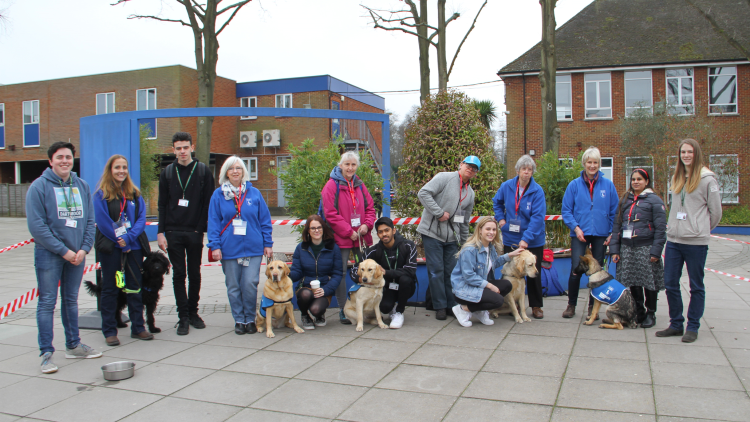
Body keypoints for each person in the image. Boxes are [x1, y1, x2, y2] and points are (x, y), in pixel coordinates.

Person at [26, 141, 101, 374]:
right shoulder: (38, 187)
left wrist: (84, 248)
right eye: (59, 157)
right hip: (50, 255)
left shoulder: (82, 185)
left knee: (71, 300)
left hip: (77, 255)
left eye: (68, 157)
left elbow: (90, 220)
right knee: (47, 302)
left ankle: (73, 344)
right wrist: (64, 251)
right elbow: (37, 227)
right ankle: (46, 353)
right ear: (51, 161)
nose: (64, 161)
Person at [657, 139, 722, 343]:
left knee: (696, 286)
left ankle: (692, 326)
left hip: (695, 242)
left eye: (689, 152)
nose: (685, 155)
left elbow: (716, 212)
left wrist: (700, 229)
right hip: (675, 240)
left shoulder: (707, 179)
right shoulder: (677, 176)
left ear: (697, 154)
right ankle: (676, 324)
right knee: (670, 283)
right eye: (683, 152)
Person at [157, 132, 215, 336]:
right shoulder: (167, 173)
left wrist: (200, 229)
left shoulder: (202, 171)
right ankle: (182, 316)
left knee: (195, 274)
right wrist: (160, 232)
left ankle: (193, 312)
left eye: (185, 147)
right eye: (178, 148)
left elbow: (208, 203)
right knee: (178, 275)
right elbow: (162, 204)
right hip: (173, 232)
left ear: (192, 147)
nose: (182, 151)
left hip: (194, 232)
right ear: (173, 150)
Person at [207, 156, 273, 335]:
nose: (235, 171)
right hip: (229, 248)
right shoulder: (218, 195)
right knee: (234, 285)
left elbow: (264, 220)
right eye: (231, 168)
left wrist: (268, 243)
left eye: (238, 168)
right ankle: (239, 319)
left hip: (253, 247)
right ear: (225, 173)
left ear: (244, 171)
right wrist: (215, 246)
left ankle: (250, 318)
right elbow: (213, 222)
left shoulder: (254, 193)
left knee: (250, 283)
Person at [93, 155, 153, 346]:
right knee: (110, 289)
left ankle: (138, 328)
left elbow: (141, 219)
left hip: (133, 248)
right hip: (111, 249)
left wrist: (128, 238)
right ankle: (110, 330)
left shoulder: (134, 194)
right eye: (117, 167)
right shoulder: (101, 195)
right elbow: (102, 223)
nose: (121, 171)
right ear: (110, 170)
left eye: (124, 167)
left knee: (135, 288)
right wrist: (119, 241)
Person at [417, 156, 479, 320]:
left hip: (452, 238)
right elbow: (423, 193)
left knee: (451, 272)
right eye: (468, 165)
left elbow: (465, 220)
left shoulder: (470, 194)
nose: (470, 169)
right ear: (461, 164)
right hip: (432, 233)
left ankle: (452, 305)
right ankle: (440, 306)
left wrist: (465, 243)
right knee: (436, 271)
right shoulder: (444, 177)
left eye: (474, 168)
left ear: (475, 173)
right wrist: (438, 212)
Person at [561, 147, 619, 319]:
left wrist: (610, 233)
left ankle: (593, 308)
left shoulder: (608, 185)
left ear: (599, 164)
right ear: (584, 163)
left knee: (597, 272)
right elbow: (566, 210)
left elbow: (615, 211)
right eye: (589, 162)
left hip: (601, 234)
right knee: (576, 269)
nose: (592, 166)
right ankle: (571, 305)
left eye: (595, 162)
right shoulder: (574, 185)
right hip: (580, 233)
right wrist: (576, 228)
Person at [322, 151, 377, 325]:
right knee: (341, 273)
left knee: (366, 272)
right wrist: (348, 231)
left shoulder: (360, 184)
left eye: (353, 165)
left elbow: (371, 208)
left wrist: (367, 225)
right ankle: (343, 309)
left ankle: (367, 306)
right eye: (347, 164)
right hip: (342, 238)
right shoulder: (331, 186)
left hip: (360, 237)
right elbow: (330, 214)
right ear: (341, 166)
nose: (350, 168)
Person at [609, 169, 667, 329]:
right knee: (633, 281)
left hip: (646, 247)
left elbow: (661, 229)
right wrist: (615, 249)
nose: (635, 182)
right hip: (627, 248)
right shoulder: (625, 199)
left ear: (646, 181)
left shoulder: (654, 200)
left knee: (649, 282)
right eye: (633, 179)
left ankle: (651, 312)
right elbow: (617, 226)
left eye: (639, 179)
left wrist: (656, 251)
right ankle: (639, 311)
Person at [493, 155, 547, 319]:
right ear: (517, 171)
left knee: (533, 272)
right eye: (524, 169)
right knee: (511, 272)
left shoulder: (537, 191)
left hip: (533, 240)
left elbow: (538, 218)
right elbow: (497, 202)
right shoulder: (506, 186)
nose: (526, 172)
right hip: (511, 238)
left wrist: (527, 239)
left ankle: (536, 305)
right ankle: (510, 303)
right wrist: (501, 220)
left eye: (529, 170)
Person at [450, 217, 524, 327]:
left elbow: (494, 262)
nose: (491, 232)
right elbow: (468, 276)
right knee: (498, 301)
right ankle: (463, 309)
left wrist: (510, 255)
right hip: (464, 290)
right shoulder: (469, 250)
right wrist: (489, 286)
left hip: (478, 286)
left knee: (507, 285)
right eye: (488, 229)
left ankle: (479, 311)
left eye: (494, 230)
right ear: (480, 230)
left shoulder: (490, 246)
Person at [351, 217, 418, 329]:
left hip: (406, 287)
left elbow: (411, 270)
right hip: (386, 288)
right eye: (380, 232)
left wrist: (386, 272)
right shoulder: (373, 251)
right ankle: (392, 307)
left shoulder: (408, 245)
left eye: (387, 230)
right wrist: (361, 279)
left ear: (394, 230)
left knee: (405, 279)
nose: (384, 234)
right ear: (377, 234)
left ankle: (399, 312)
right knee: (385, 308)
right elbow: (354, 269)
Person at [289, 215, 342, 330]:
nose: (316, 230)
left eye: (319, 227)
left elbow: (337, 274)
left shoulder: (333, 248)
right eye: (313, 228)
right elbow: (296, 272)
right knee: (305, 294)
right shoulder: (301, 248)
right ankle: (305, 315)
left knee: (316, 309)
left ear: (323, 229)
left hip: (323, 288)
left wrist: (326, 290)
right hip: (306, 287)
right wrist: (286, 274)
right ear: (308, 230)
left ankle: (319, 315)